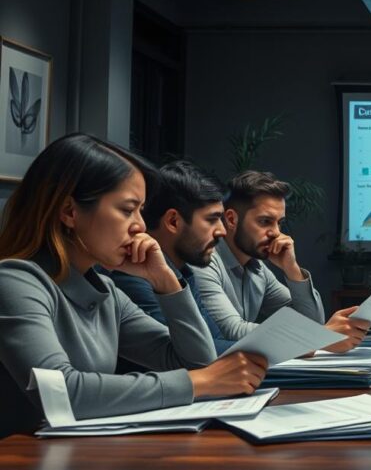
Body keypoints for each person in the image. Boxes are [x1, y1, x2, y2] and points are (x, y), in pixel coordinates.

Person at [0, 134, 268, 437]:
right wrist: (198, 383)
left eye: (141, 210)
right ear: (69, 211)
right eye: (128, 210)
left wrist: (165, 282)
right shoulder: (14, 281)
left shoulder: (106, 292)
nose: (140, 225)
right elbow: (62, 392)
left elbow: (197, 361)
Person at [194, 171, 367, 352]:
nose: (276, 233)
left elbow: (312, 322)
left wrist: (292, 270)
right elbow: (231, 332)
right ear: (231, 219)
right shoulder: (204, 262)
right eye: (265, 221)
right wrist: (320, 336)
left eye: (279, 223)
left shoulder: (257, 267)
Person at [108, 160, 234, 354]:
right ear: (173, 221)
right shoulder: (130, 275)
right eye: (212, 219)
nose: (222, 231)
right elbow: (189, 354)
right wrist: (271, 352)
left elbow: (213, 340)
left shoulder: (184, 271)